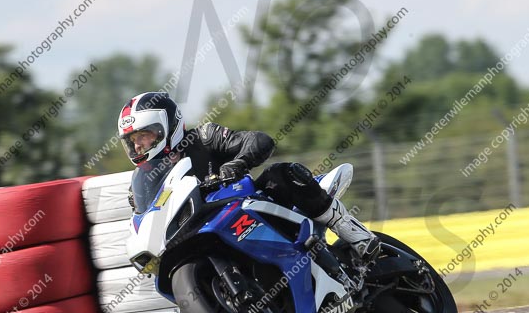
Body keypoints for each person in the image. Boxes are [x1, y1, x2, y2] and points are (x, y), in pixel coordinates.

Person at [118, 91, 379, 264]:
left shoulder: (203, 137)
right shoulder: (141, 182)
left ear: (167, 127)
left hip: (249, 209)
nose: (138, 146)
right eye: (132, 141)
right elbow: (143, 216)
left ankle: (354, 233)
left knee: (280, 175)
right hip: (203, 235)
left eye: (144, 136)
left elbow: (259, 141)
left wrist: (236, 164)